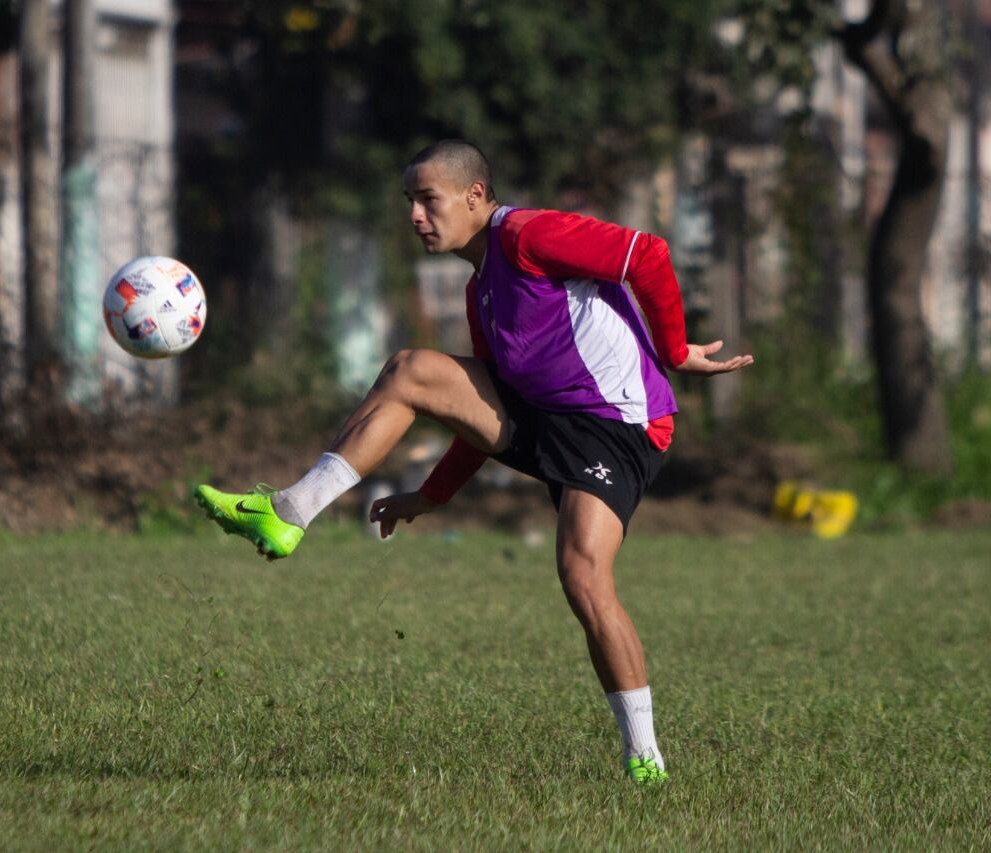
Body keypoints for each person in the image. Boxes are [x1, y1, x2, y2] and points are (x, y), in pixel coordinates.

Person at [194, 139, 753, 785]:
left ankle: (645, 757)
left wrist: (674, 347)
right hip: (544, 420)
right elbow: (484, 417)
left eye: (427, 199)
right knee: (412, 369)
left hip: (617, 428)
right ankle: (288, 511)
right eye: (410, 201)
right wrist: (429, 497)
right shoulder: (480, 290)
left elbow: (646, 253)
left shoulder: (529, 234)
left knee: (582, 575)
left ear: (475, 196)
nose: (415, 215)